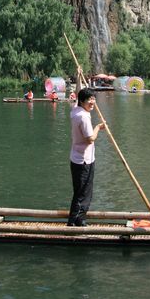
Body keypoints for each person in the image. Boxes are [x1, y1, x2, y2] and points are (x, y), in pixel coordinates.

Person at [67, 88, 107, 226]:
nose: (93, 102)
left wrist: (78, 76)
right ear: (82, 101)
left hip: (76, 158)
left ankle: (78, 219)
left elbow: (79, 92)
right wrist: (98, 127)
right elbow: (90, 138)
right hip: (84, 161)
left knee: (80, 191)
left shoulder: (75, 110)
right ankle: (74, 222)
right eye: (90, 99)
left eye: (94, 99)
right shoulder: (83, 117)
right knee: (83, 193)